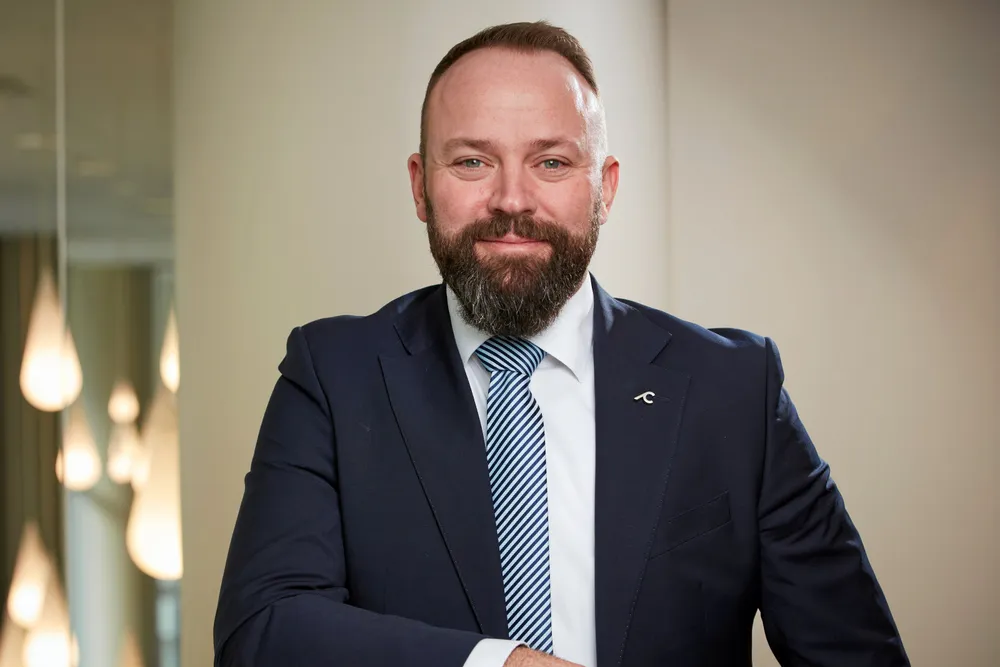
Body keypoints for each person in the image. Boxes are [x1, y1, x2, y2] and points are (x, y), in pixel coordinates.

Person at [213, 20, 908, 667]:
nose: (512, 200)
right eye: (473, 161)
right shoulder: (332, 376)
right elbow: (263, 629)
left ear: (604, 187)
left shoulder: (735, 390)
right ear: (421, 186)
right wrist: (500, 664)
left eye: (550, 162)